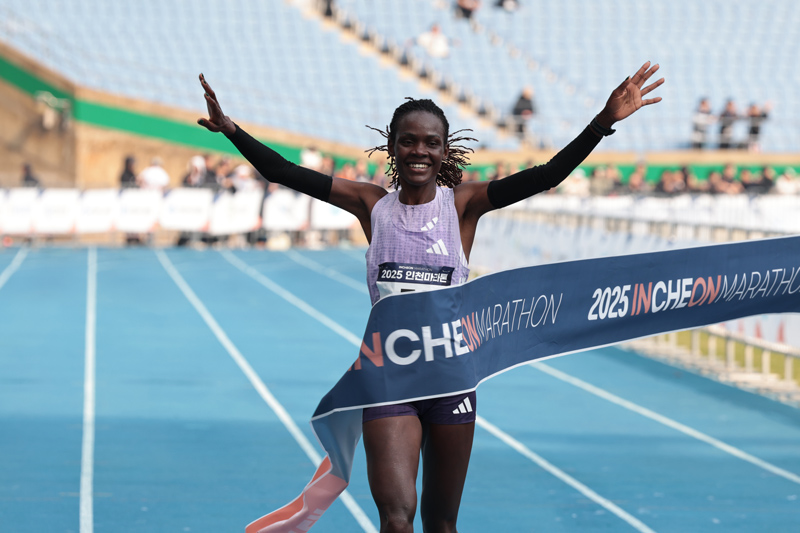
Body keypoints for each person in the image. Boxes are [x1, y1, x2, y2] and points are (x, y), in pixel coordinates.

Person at [197, 61, 663, 533]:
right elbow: (284, 172)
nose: (419, 151)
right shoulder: (370, 204)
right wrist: (230, 129)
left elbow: (546, 175)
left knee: (441, 523)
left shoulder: (463, 205)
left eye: (431, 142)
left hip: (451, 380)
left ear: (445, 151)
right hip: (389, 378)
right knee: (396, 519)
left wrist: (602, 123)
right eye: (408, 141)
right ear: (392, 148)